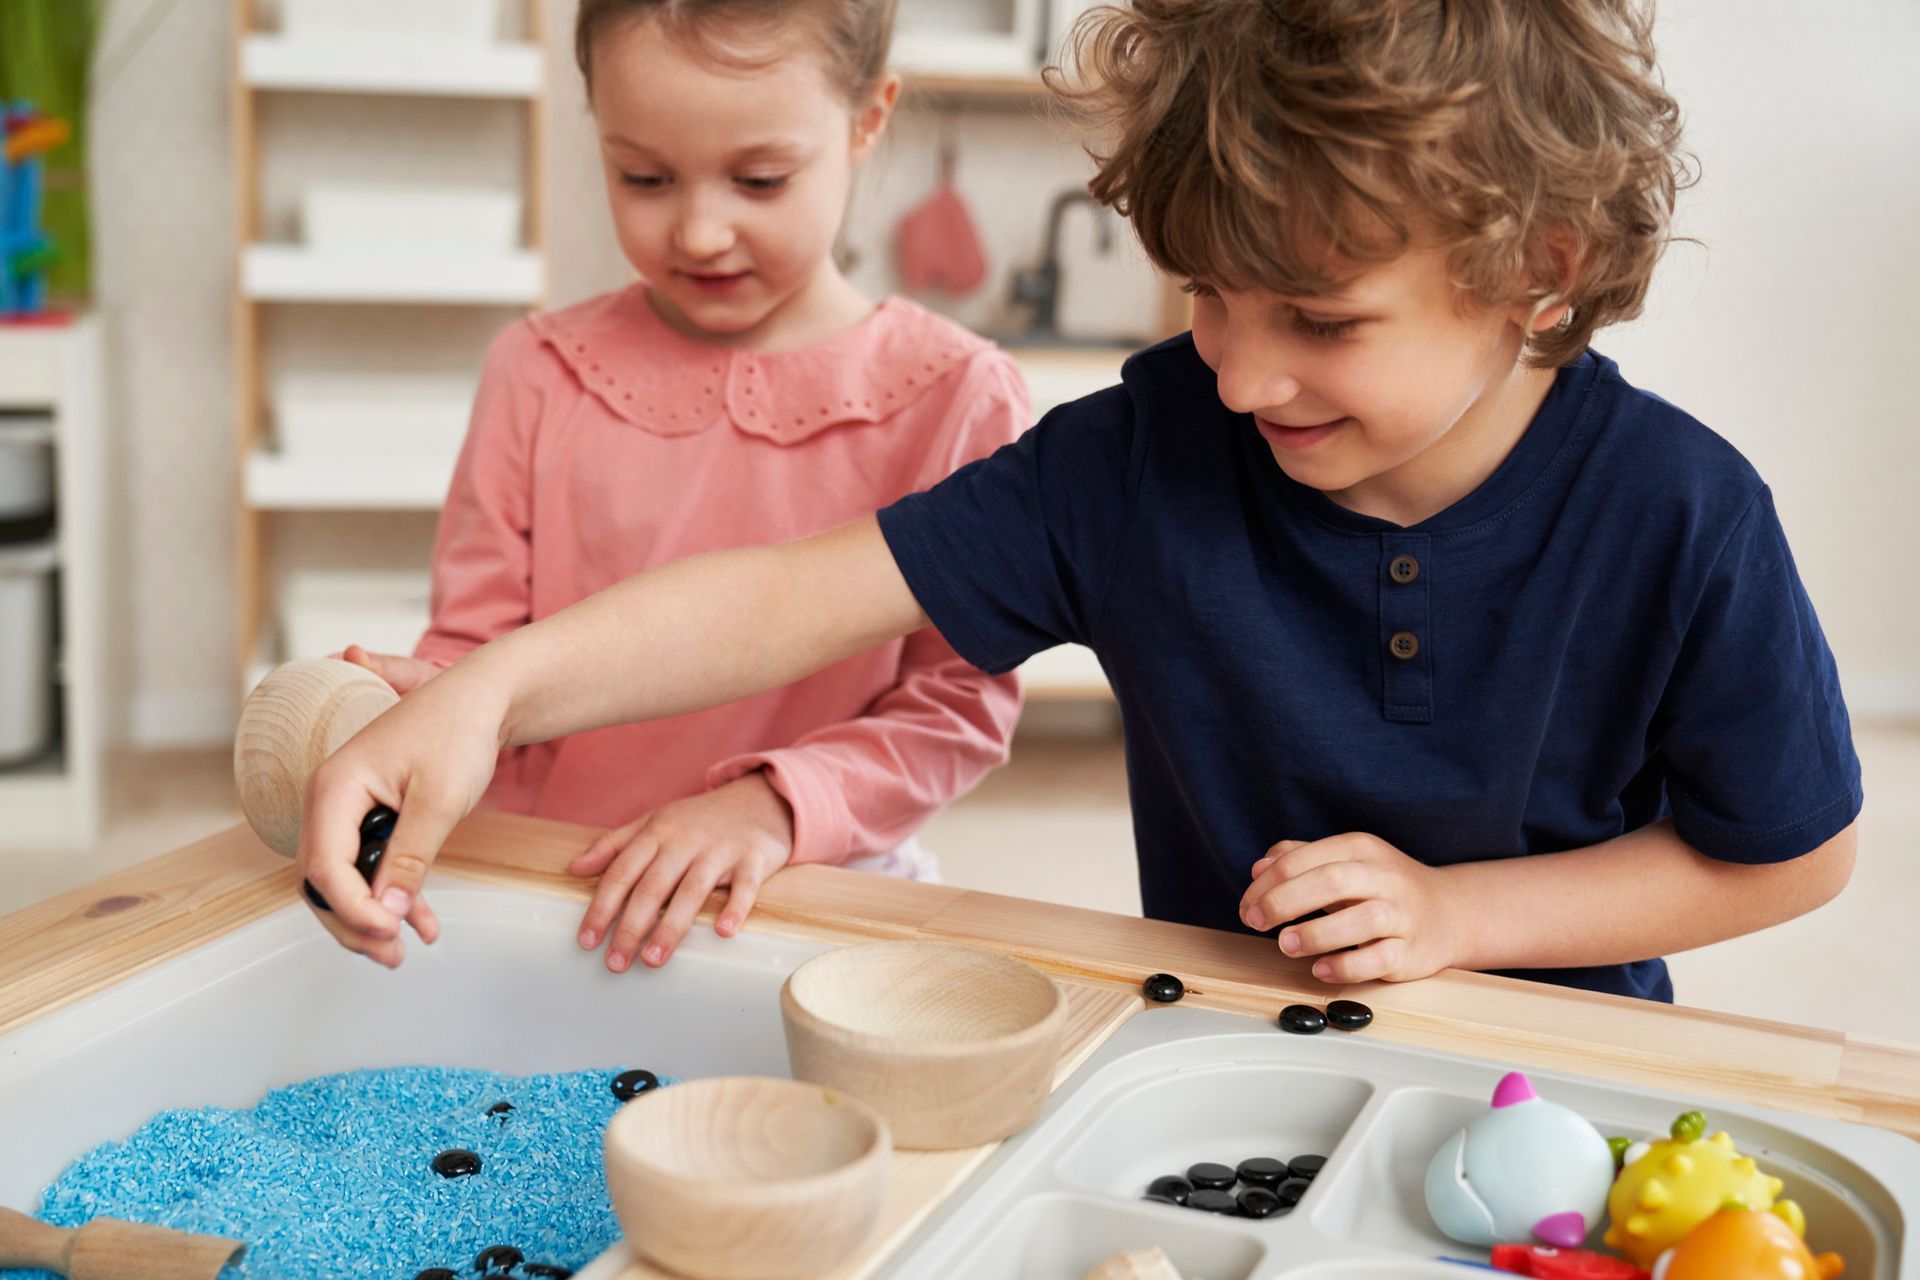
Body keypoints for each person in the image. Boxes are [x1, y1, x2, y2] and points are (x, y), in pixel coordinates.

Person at [303, 0, 1859, 1002]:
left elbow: (1793, 854)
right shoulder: (1144, 452)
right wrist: (490, 690)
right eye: (1208, 297)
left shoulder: (1686, 513)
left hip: (1563, 1066)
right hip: (1216, 1044)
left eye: (1317, 322)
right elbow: (793, 592)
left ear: (1538, 272)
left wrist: (1460, 920)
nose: (1243, 379)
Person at [334, 0, 1028, 973]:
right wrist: (408, 716)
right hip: (558, 891)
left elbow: (955, 706)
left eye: (760, 178)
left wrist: (772, 805)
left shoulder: (956, 398)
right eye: (644, 176)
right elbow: (475, 652)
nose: (700, 231)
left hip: (804, 891)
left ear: (869, 118)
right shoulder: (537, 372)